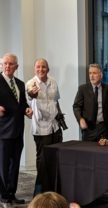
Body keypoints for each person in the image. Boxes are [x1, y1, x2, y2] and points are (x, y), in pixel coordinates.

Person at [0, 53, 33, 208]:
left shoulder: (20, 84)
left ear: (16, 67)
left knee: (15, 165)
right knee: (3, 166)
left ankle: (12, 194)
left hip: (18, 131)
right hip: (2, 132)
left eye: (11, 64)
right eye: (5, 64)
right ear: (1, 65)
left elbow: (22, 103)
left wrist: (27, 109)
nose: (7, 66)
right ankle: (4, 197)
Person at [26, 58, 63, 196]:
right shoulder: (31, 83)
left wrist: (60, 119)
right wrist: (33, 93)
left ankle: (53, 189)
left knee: (55, 158)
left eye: (43, 67)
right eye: (38, 67)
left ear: (48, 69)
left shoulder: (53, 82)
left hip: (55, 126)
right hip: (41, 128)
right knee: (42, 161)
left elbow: (56, 101)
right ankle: (39, 192)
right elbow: (30, 96)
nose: (41, 69)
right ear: (34, 69)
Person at [73, 64, 108, 141]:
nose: (91, 76)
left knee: (103, 152)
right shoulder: (83, 89)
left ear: (101, 75)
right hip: (88, 128)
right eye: (90, 73)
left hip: (104, 128)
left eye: (94, 73)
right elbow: (76, 106)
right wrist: (80, 119)